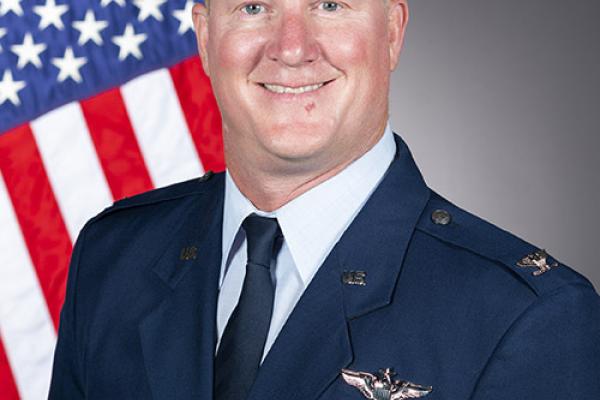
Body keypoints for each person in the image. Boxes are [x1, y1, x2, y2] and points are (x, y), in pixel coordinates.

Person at [49, 0, 600, 399]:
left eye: (330, 5)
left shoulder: (529, 318)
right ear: (205, 36)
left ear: (392, 32)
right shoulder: (113, 257)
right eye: (253, 7)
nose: (292, 48)